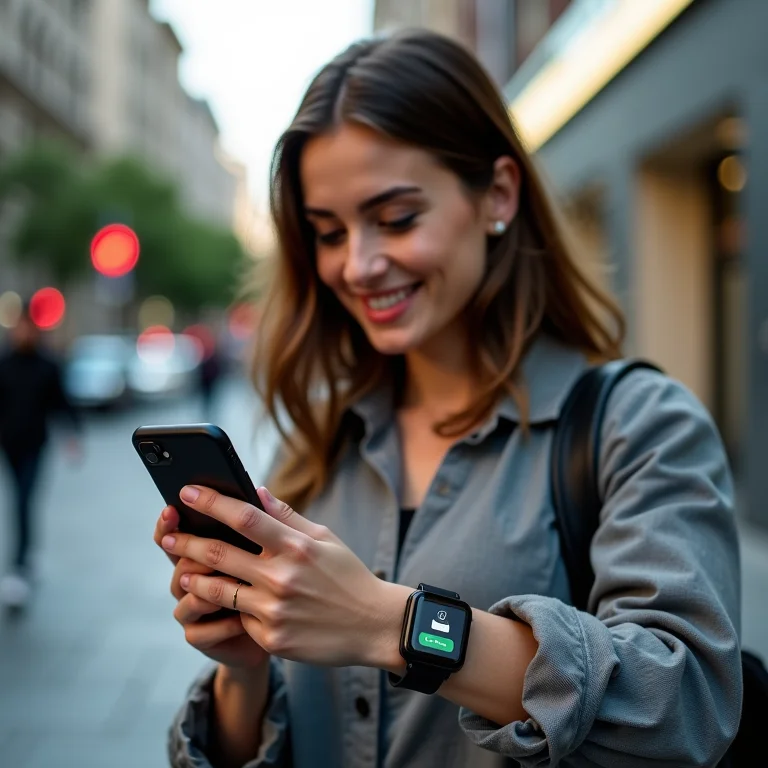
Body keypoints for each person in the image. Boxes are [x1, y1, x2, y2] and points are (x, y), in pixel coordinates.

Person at [153, 30, 742, 767]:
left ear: (498, 194)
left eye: (396, 219)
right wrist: (241, 667)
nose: (358, 264)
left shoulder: (638, 424)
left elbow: (689, 706)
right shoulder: (320, 440)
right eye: (328, 232)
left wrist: (390, 622)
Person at [0, 304, 81, 609]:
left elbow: (62, 402)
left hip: (35, 445)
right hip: (9, 445)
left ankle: (20, 564)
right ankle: (24, 558)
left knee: (24, 500)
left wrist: (73, 434)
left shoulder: (47, 365)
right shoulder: (5, 363)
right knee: (18, 500)